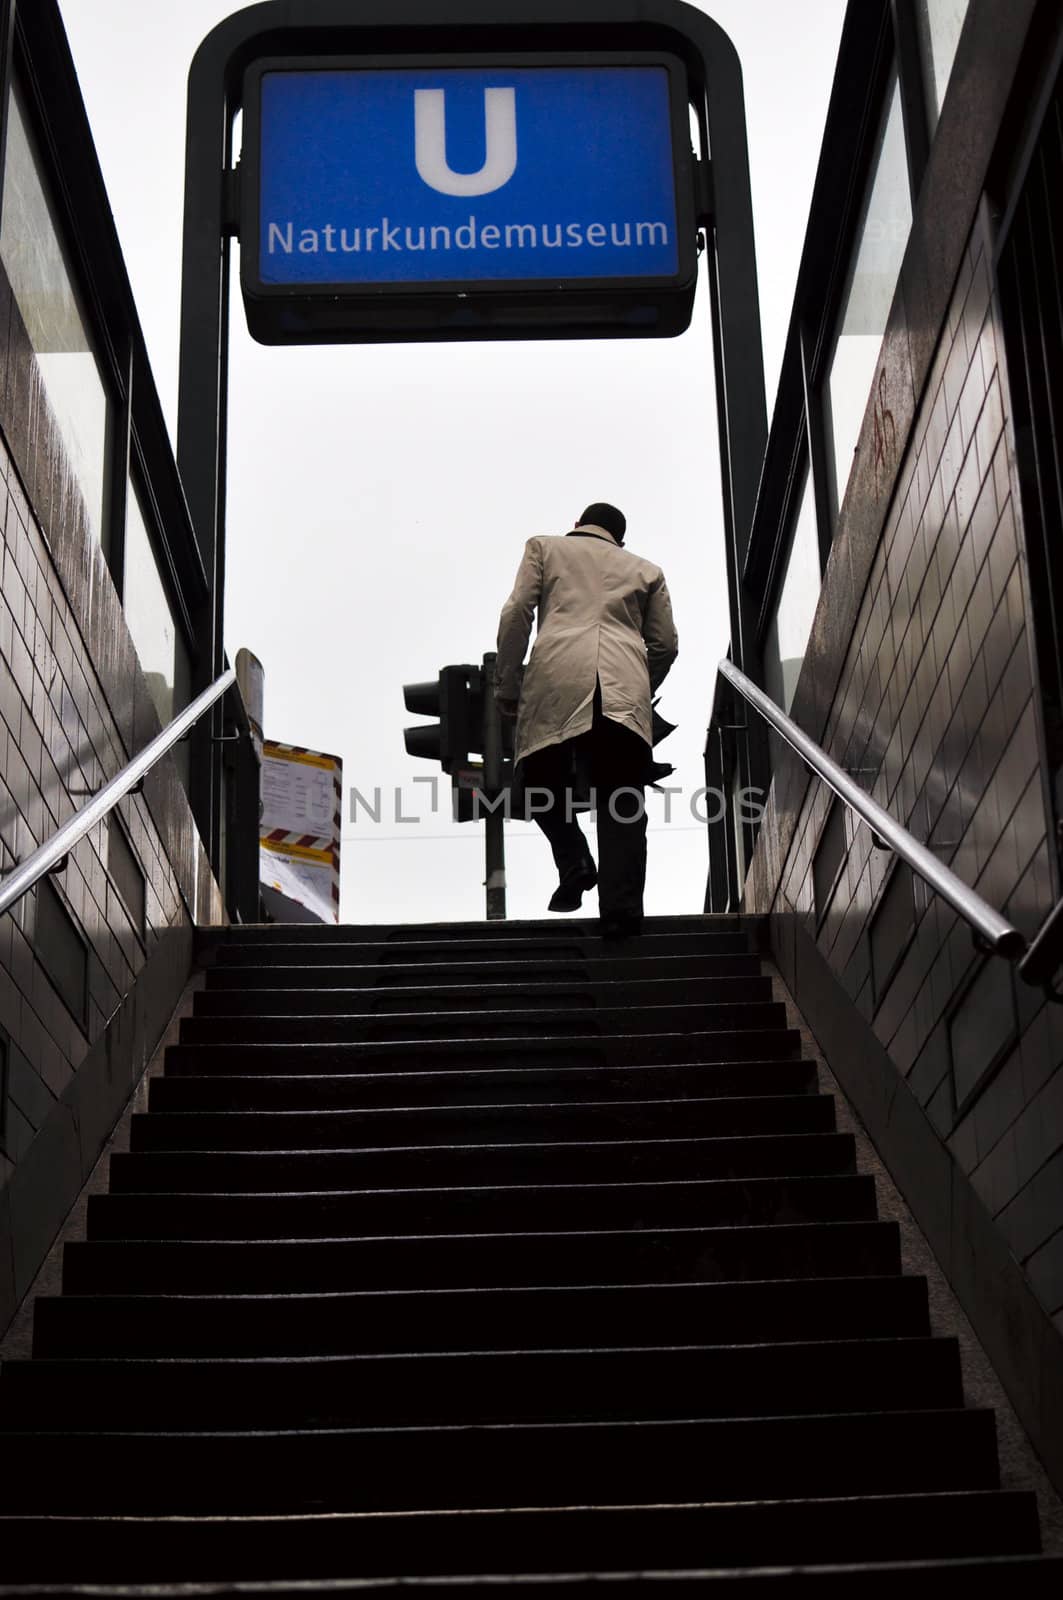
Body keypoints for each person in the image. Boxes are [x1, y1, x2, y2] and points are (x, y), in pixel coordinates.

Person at [495, 502, 678, 938]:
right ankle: (622, 911)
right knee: (623, 801)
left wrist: (507, 684)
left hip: (558, 675)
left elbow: (516, 612)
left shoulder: (545, 547)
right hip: (623, 689)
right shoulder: (647, 570)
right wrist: (637, 687)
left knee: (538, 777)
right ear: (620, 540)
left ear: (577, 525)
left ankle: (573, 857)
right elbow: (666, 645)